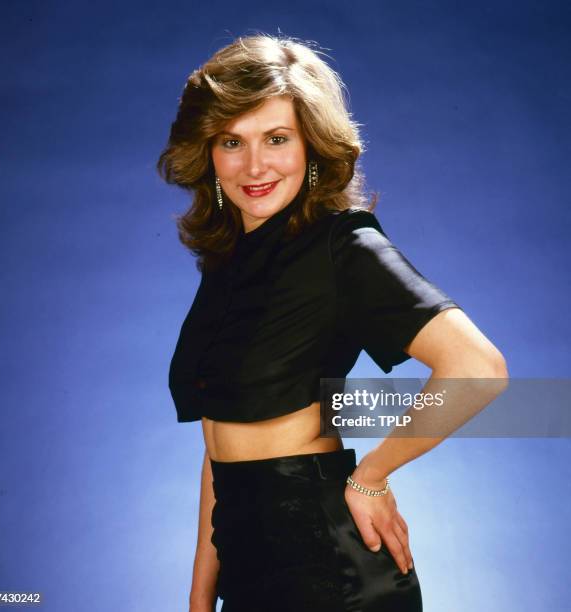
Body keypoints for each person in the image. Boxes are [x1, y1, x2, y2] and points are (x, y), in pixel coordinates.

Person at [157, 34, 508, 612]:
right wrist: (199, 601)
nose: (254, 165)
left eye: (277, 139)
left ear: (311, 147)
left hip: (326, 564)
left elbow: (479, 369)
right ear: (208, 152)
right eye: (231, 141)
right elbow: (220, 446)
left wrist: (373, 474)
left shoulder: (345, 246)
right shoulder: (226, 262)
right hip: (245, 562)